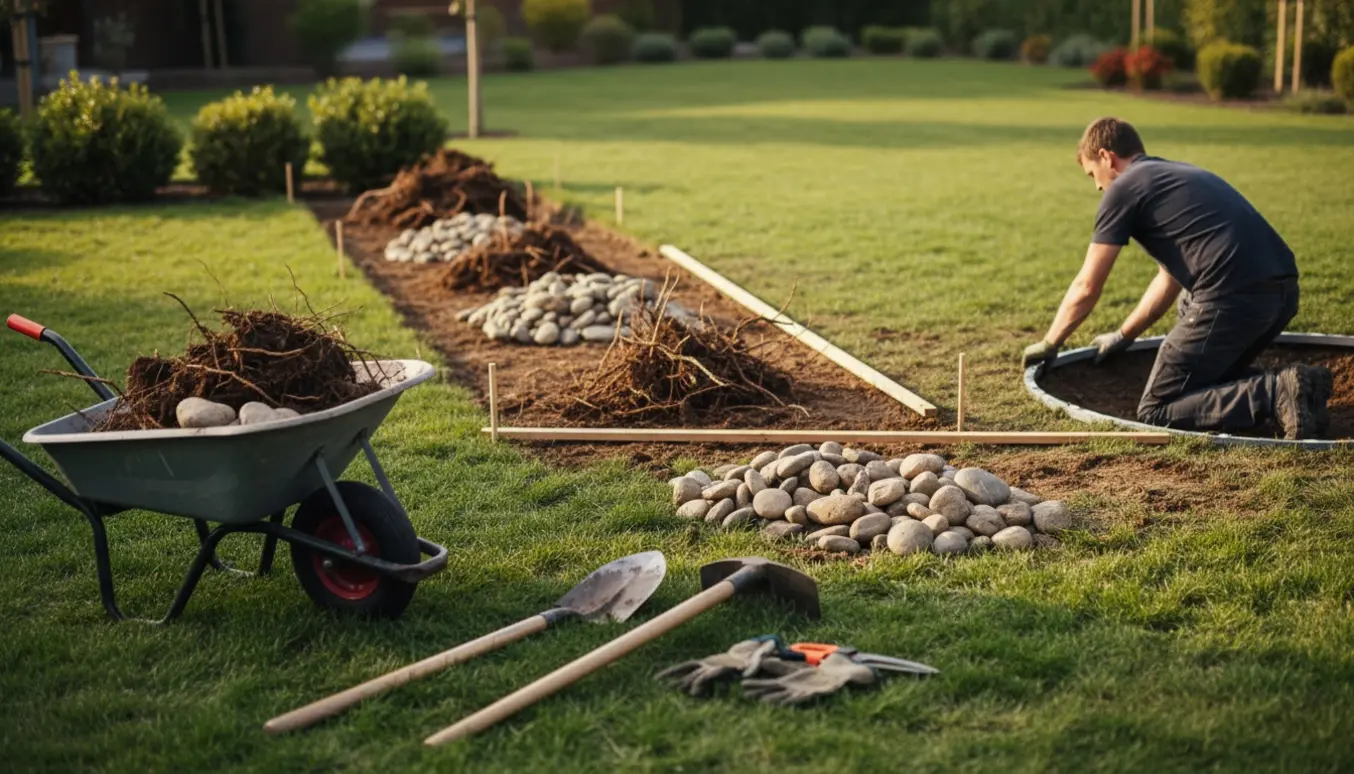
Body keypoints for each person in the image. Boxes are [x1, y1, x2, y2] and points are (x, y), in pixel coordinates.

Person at [1021, 117, 1332, 439]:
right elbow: (1168, 279)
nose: (1098, 186)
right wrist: (1123, 335)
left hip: (1232, 295)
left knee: (1157, 409)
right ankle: (1303, 391)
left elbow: (1087, 286)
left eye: (1092, 174)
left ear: (1106, 157)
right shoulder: (1176, 174)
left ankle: (1274, 390)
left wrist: (1051, 341)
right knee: (1190, 316)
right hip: (1280, 292)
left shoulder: (1123, 188)